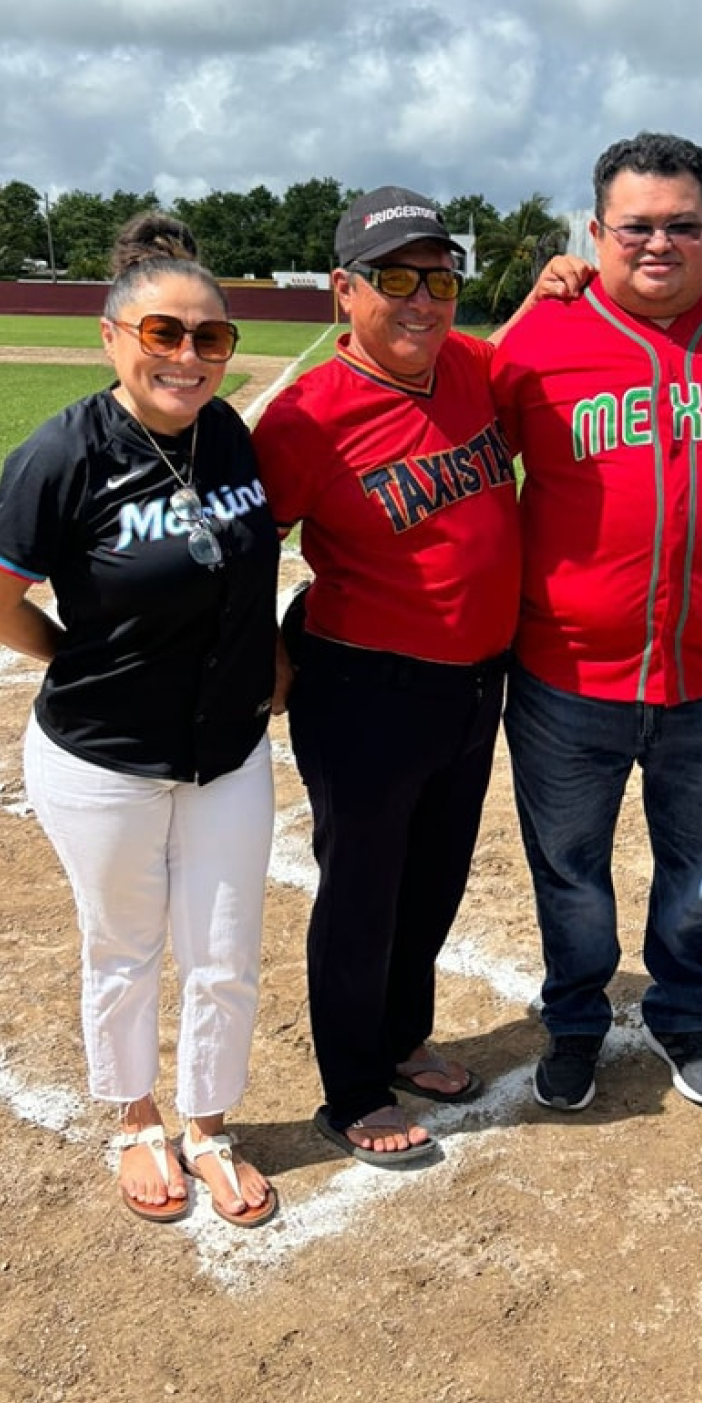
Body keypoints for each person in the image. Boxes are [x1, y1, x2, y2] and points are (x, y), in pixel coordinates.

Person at [251, 187, 587, 1168]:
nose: (422, 299)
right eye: (395, 277)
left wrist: (546, 287)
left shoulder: (470, 368)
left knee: (433, 879)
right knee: (361, 889)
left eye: (439, 278)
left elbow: (518, 347)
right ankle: (351, 1087)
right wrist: (268, 651)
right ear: (342, 291)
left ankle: (401, 1036)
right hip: (362, 688)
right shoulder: (305, 419)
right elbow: (245, 547)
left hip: (471, 682)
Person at [0, 213, 280, 1225]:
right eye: (163, 334)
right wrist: (73, 659)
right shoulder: (60, 453)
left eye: (210, 338)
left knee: (226, 952)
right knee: (127, 948)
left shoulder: (227, 434)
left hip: (227, 750)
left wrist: (263, 658)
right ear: (113, 336)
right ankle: (137, 1117)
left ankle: (210, 1125)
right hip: (104, 757)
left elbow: (247, 569)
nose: (188, 357)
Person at [491, 132, 702, 1113]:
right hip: (563, 676)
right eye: (636, 226)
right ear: (595, 231)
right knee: (570, 876)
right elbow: (452, 443)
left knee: (699, 874)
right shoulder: (536, 341)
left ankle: (681, 1016)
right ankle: (577, 1025)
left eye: (681, 225)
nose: (658, 242)